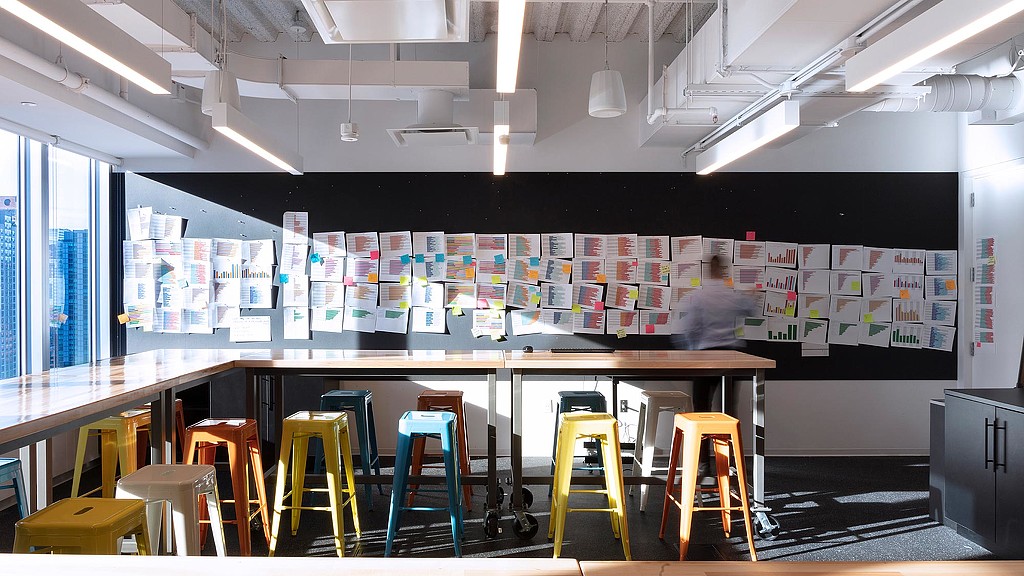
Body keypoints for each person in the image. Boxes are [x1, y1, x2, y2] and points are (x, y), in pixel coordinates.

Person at [673, 254, 757, 478]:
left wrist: (692, 351)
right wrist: (752, 295)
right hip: (731, 357)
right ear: (724, 271)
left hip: (704, 358)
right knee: (729, 412)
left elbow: (688, 329)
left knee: (701, 412)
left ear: (707, 271)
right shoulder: (733, 296)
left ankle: (703, 464)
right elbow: (751, 311)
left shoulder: (699, 297)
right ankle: (729, 463)